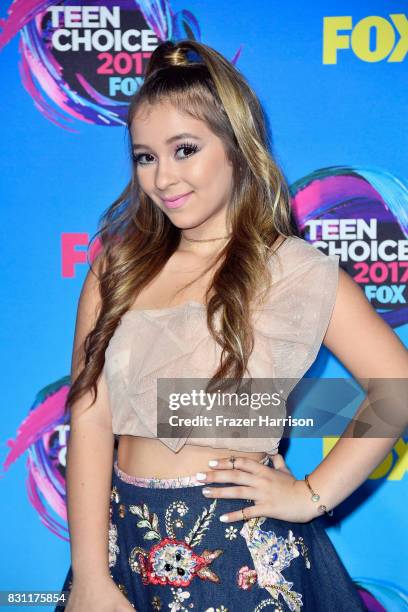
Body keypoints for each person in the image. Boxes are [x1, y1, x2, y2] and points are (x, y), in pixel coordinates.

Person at [55, 40, 407, 612]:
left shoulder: (292, 270)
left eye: (184, 149)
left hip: (240, 555)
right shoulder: (115, 267)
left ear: (236, 149)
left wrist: (310, 496)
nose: (163, 176)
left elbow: (398, 387)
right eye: (145, 156)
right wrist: (93, 574)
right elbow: (90, 418)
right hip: (120, 553)